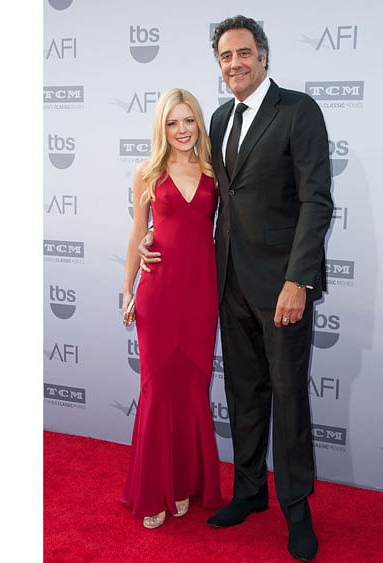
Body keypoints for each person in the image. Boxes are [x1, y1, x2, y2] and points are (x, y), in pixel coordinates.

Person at [138, 15, 333, 561]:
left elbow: (317, 201)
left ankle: (297, 508)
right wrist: (156, 231)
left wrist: (299, 279)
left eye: (244, 53)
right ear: (219, 66)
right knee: (243, 396)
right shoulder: (218, 120)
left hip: (282, 289)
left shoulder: (298, 112)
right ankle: (250, 492)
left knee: (289, 398)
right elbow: (197, 196)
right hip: (227, 287)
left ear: (264, 57)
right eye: (225, 57)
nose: (235, 64)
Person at [120, 87, 223, 529]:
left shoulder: (215, 171)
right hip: (158, 293)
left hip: (201, 294)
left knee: (192, 387)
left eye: (188, 121)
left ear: (199, 123)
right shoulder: (147, 172)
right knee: (158, 389)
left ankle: (182, 484)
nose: (182, 130)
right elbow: (137, 233)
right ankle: (155, 490)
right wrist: (127, 290)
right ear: (161, 128)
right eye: (172, 122)